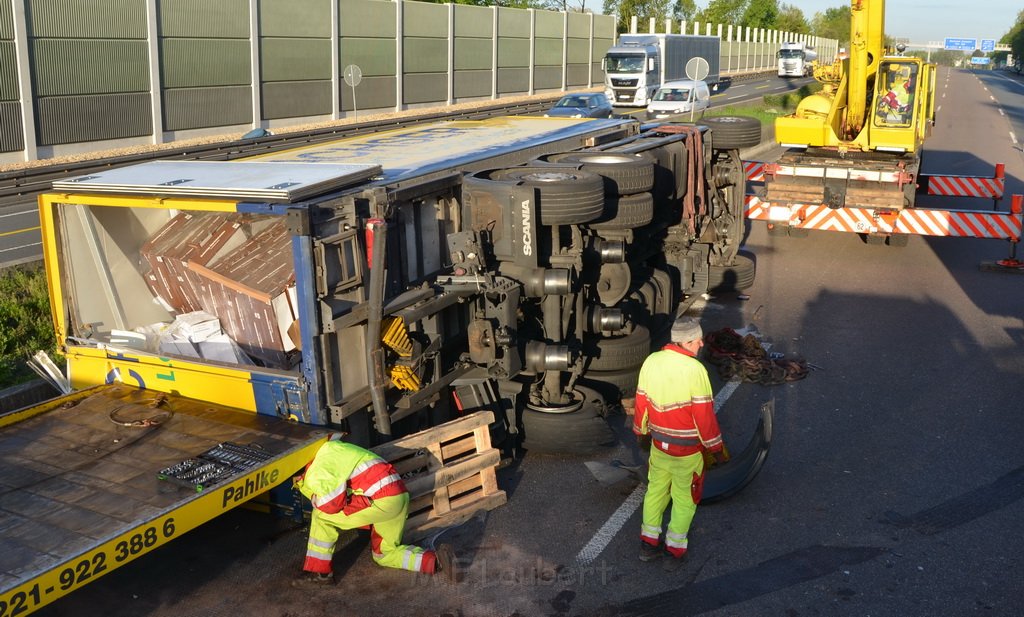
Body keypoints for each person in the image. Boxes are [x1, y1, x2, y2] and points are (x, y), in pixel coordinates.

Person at [291, 438, 456, 587]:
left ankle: (321, 575)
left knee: (321, 516)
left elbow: (331, 505)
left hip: (382, 500)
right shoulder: (333, 449)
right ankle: (436, 561)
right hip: (399, 496)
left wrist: (314, 497)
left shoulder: (315, 472)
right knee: (384, 554)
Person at [633, 317, 727, 571]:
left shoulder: (652, 361)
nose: (701, 345)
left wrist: (640, 431)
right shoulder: (695, 370)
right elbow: (704, 416)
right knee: (685, 499)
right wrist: (716, 449)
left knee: (655, 492)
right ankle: (674, 550)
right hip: (687, 452)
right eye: (698, 341)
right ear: (686, 341)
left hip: (659, 446)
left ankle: (648, 544)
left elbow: (641, 401)